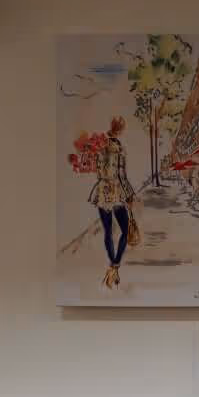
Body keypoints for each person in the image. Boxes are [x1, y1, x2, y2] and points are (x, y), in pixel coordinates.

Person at [89, 116, 141, 289]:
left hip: (102, 191)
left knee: (107, 232)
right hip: (116, 191)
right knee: (125, 231)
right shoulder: (119, 148)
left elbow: (96, 169)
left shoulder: (99, 145)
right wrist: (130, 195)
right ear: (120, 129)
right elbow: (122, 176)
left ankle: (112, 265)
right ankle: (115, 265)